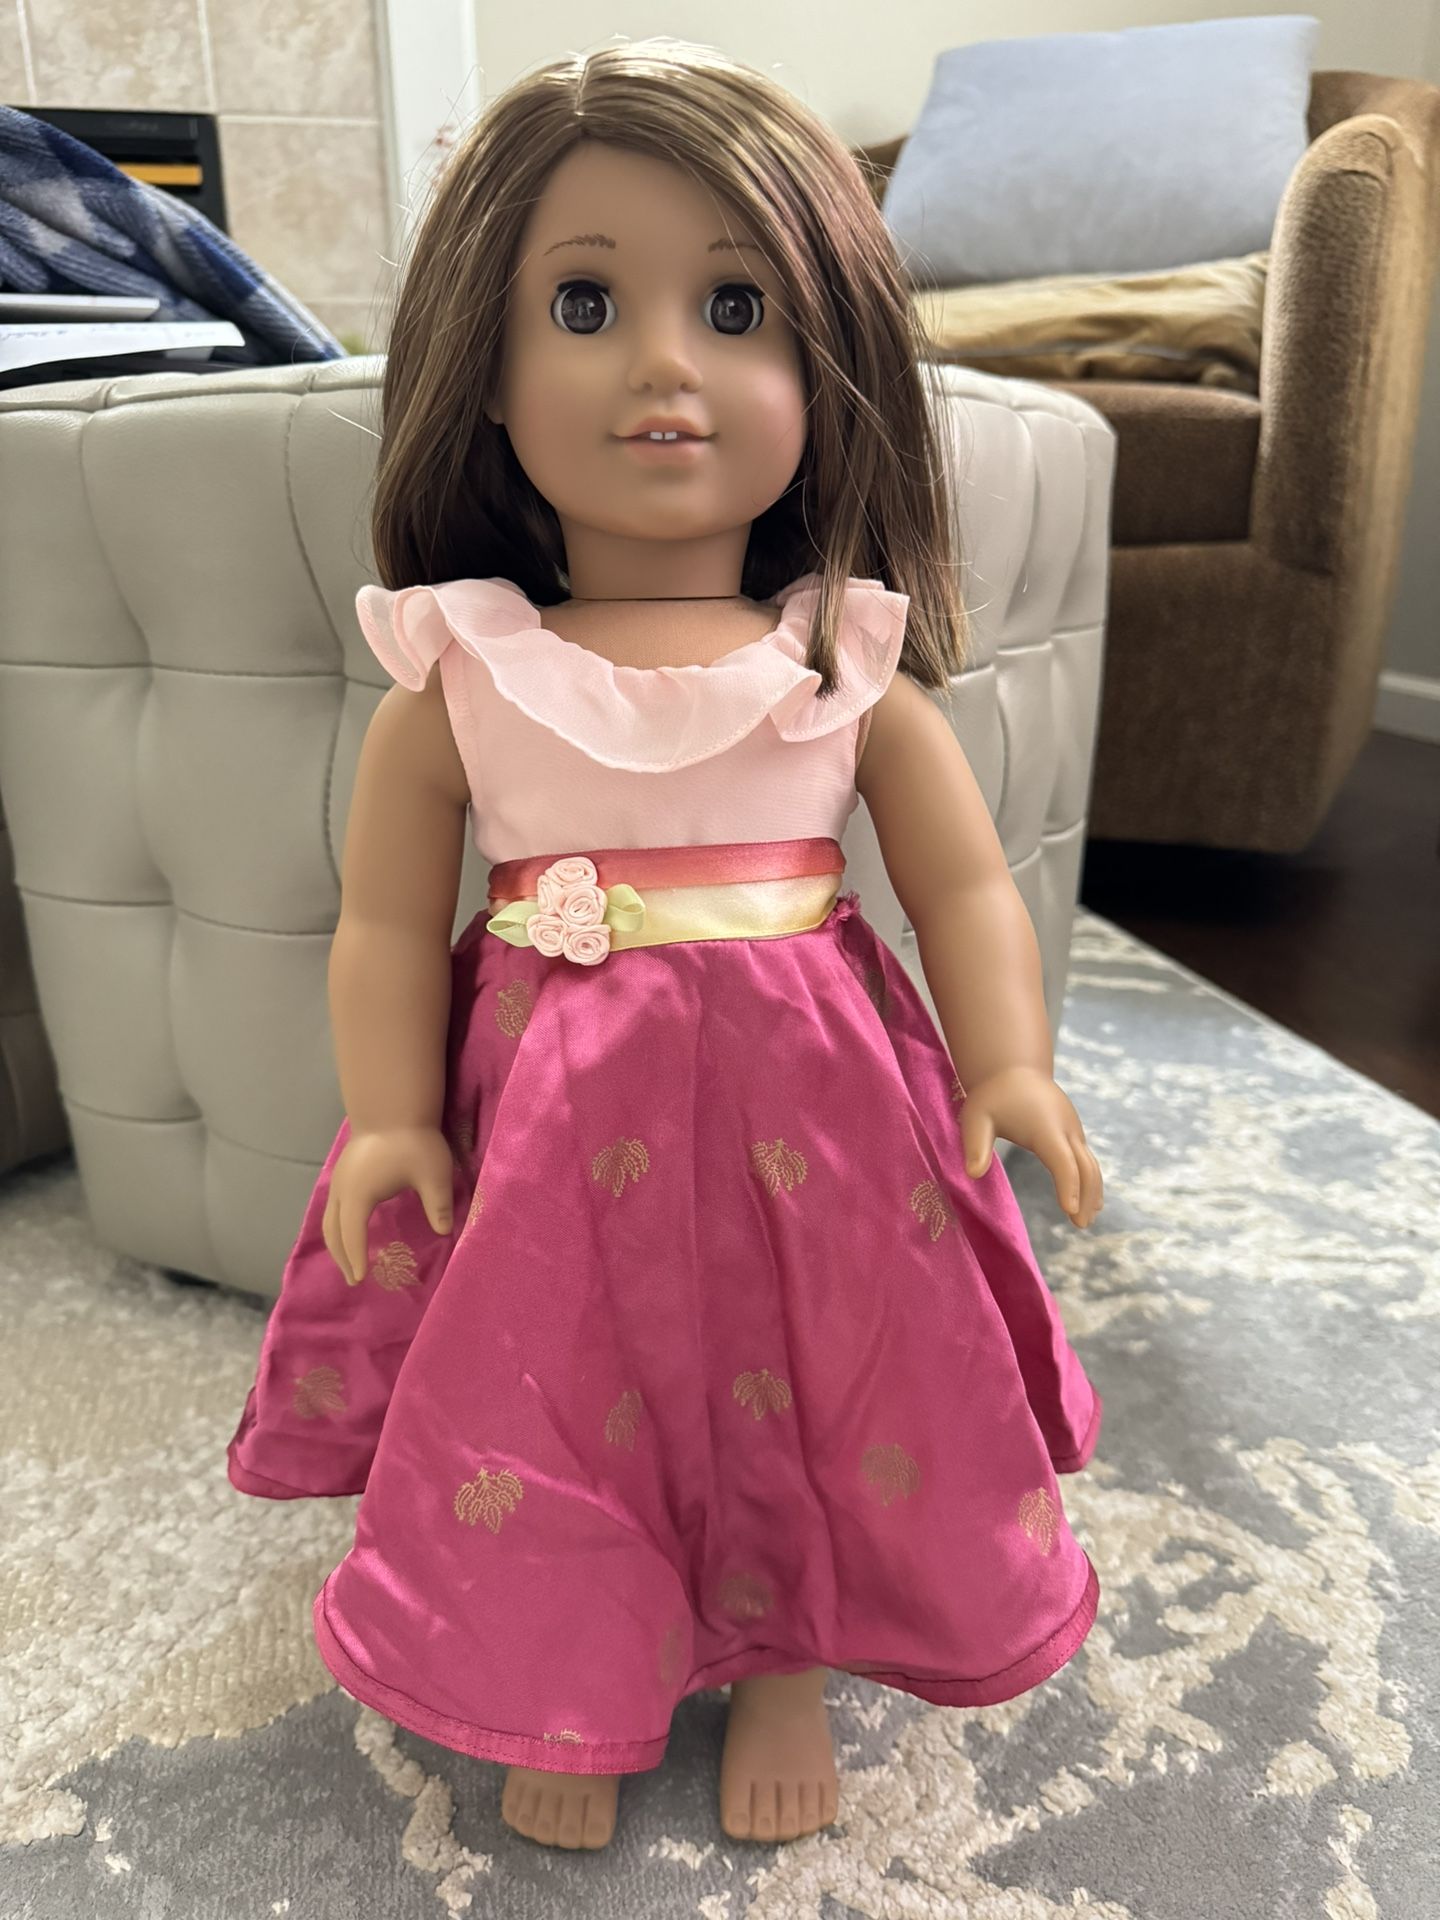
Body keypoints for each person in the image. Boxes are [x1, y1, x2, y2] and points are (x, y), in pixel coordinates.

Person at [226, 36, 1105, 1854]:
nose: (663, 367)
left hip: (819, 1118)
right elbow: (384, 920)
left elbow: (962, 888)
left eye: (735, 308)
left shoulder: (840, 662)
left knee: (827, 1372)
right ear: (485, 368)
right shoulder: (462, 673)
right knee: (556, 1389)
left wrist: (1009, 1061)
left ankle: (786, 1661)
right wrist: (389, 1117)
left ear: (826, 368)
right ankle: (575, 1658)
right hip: (555, 1128)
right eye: (584, 304)